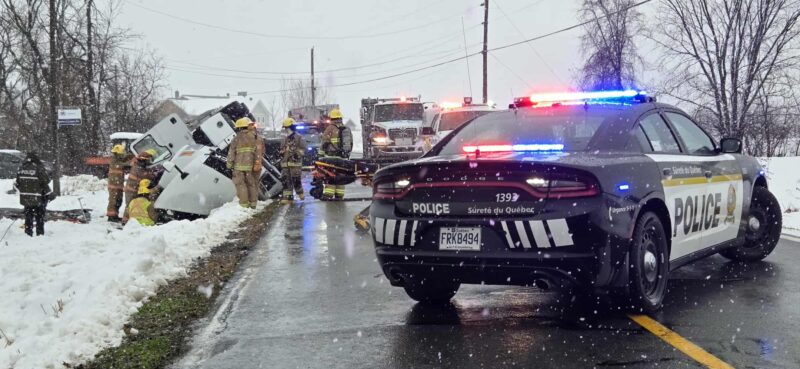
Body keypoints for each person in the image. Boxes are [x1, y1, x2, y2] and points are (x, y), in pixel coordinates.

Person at [227, 117, 264, 209]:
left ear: (240, 127)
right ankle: (253, 204)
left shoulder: (237, 138)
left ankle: (244, 205)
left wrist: (229, 164)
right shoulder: (257, 137)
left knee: (241, 184)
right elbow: (262, 152)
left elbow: (231, 152)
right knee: (252, 184)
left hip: (239, 167)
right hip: (254, 166)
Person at [14, 152, 52, 236]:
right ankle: (40, 233)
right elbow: (46, 181)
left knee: (28, 215)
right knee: (40, 216)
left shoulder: (21, 168)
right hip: (39, 196)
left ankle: (28, 232)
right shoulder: (39, 168)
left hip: (26, 196)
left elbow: (18, 182)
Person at [320, 108, 353, 200]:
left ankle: (328, 195)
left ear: (331, 118)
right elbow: (351, 143)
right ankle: (339, 195)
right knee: (340, 176)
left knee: (330, 174)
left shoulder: (330, 128)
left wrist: (320, 156)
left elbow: (324, 143)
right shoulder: (347, 129)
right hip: (343, 157)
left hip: (331, 157)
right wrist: (346, 155)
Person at [278, 117, 306, 204]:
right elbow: (281, 149)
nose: (286, 130)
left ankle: (300, 193)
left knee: (296, 180)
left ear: (291, 127)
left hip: (295, 164)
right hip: (285, 164)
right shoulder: (284, 139)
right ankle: (288, 197)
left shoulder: (299, 137)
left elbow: (303, 149)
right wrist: (281, 153)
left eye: (286, 128)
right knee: (286, 181)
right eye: (285, 128)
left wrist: (296, 155)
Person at [123, 149, 157, 219]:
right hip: (131, 191)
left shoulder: (140, 166)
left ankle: (134, 219)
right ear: (143, 160)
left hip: (135, 189)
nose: (149, 162)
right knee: (129, 205)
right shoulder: (138, 167)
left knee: (133, 205)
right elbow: (145, 176)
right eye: (148, 160)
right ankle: (125, 221)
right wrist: (153, 175)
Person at [106, 144, 132, 222]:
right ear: (117, 153)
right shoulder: (114, 160)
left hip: (118, 185)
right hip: (113, 186)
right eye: (121, 153)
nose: (122, 155)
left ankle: (115, 215)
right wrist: (131, 162)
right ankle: (111, 217)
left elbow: (124, 158)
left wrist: (130, 155)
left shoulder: (119, 158)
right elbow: (122, 164)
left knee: (118, 201)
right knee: (113, 201)